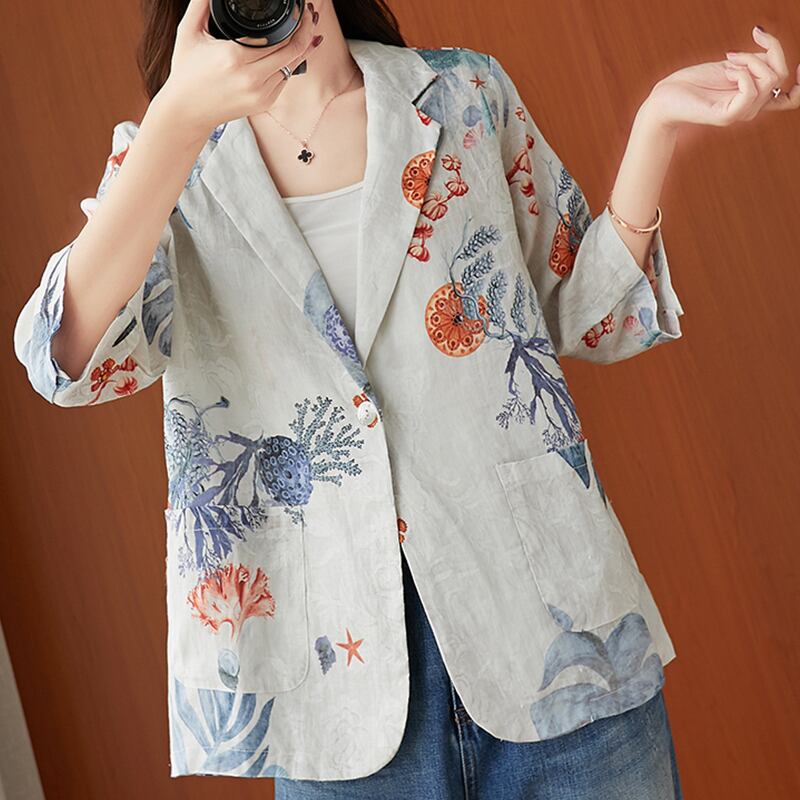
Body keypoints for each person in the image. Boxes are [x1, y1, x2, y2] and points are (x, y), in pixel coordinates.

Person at [12, 0, 797, 796]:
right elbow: (64, 358)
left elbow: (584, 313)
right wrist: (175, 122)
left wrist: (658, 124)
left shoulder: (461, 94)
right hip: (334, 690)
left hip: (552, 638)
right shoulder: (166, 161)